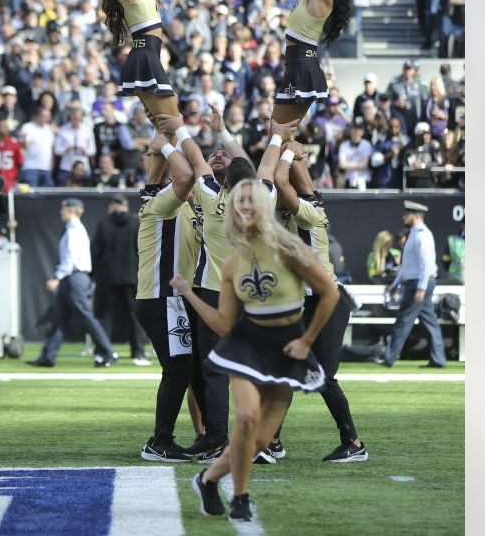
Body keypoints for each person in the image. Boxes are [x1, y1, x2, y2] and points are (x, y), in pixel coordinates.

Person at [172, 177, 339, 523]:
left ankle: (207, 479)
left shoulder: (290, 248)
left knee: (261, 441)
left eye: (251, 199)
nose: (245, 205)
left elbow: (330, 294)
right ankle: (240, 496)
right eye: (239, 201)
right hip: (246, 345)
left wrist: (307, 340)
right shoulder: (233, 261)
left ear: (263, 206)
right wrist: (189, 295)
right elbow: (223, 325)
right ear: (233, 211)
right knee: (246, 418)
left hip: (286, 349)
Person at [156, 107, 292, 466]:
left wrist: (180, 130)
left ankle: (216, 438)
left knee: (215, 371)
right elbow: (263, 166)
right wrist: (277, 136)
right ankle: (261, 442)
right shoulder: (264, 197)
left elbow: (198, 163)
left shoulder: (214, 200)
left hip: (216, 295)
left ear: (227, 181)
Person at [269, 141, 369, 463]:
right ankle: (271, 440)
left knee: (324, 377)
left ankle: (353, 443)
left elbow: (282, 183)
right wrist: (292, 148)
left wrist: (283, 150)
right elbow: (298, 183)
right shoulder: (305, 208)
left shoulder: (309, 213)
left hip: (326, 303)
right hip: (307, 304)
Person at [132, 131, 212, 461]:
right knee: (179, 368)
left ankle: (211, 436)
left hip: (172, 299)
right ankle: (160, 440)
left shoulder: (187, 207)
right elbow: (186, 174)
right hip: (162, 298)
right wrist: (167, 141)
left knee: (191, 368)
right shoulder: (162, 205)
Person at [29, 199, 120, 368]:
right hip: (71, 278)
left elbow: (70, 258)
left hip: (74, 277)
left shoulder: (74, 230)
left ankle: (108, 351)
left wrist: (57, 277)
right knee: (58, 318)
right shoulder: (73, 229)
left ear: (71, 210)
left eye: (63, 209)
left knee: (85, 316)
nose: (60, 212)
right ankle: (47, 357)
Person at [376, 201, 447, 368]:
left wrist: (421, 288)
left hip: (418, 283)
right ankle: (438, 359)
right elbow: (409, 265)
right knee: (430, 322)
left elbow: (426, 265)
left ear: (415, 216)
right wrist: (395, 283)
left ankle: (388, 357)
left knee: (403, 320)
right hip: (418, 281)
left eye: (406, 214)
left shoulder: (421, 235)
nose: (403, 217)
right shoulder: (415, 233)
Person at [91, 196, 150, 366]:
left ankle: (102, 353)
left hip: (107, 277)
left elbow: (96, 250)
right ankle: (138, 354)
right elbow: (144, 249)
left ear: (113, 206)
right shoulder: (136, 223)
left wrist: (92, 273)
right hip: (132, 276)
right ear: (125, 206)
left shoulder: (103, 224)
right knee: (134, 317)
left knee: (104, 316)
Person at [18, 106, 57, 187]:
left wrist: (52, 164)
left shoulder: (50, 129)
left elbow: (51, 148)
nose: (47, 119)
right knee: (32, 196)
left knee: (47, 196)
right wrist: (24, 140)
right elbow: (24, 147)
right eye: (45, 116)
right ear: (37, 116)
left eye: (48, 117)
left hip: (46, 168)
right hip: (30, 167)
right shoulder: (27, 127)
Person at [0, 118, 24, 191]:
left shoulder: (15, 143)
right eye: (1, 126)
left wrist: (17, 180)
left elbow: (20, 164)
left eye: (6, 126)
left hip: (10, 184)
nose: (4, 129)